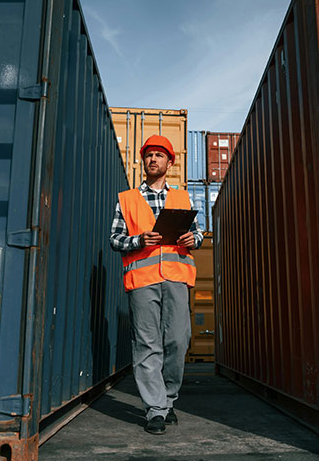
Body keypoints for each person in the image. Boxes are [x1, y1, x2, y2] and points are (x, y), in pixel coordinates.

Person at [110, 134, 203, 435]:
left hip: (176, 279)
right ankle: (155, 409)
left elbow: (198, 235)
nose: (153, 159)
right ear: (143, 161)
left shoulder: (183, 198)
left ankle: (169, 399)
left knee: (178, 340)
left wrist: (193, 239)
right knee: (147, 344)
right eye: (149, 155)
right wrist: (138, 240)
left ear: (169, 162)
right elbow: (115, 239)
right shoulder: (127, 199)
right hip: (143, 281)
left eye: (159, 155)